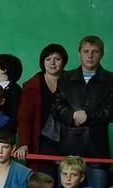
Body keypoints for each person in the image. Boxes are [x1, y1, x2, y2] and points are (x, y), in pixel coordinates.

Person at [52, 35, 113, 188]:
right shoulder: (65, 78)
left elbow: (112, 111)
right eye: (86, 51)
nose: (90, 55)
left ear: (102, 54)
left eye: (95, 52)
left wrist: (88, 116)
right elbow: (56, 108)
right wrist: (72, 115)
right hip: (68, 147)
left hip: (97, 150)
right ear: (79, 54)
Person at [16, 44, 69, 177]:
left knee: (69, 181)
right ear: (42, 62)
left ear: (63, 62)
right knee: (44, 182)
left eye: (57, 59)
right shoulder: (32, 85)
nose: (52, 63)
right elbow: (24, 118)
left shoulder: (72, 82)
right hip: (42, 143)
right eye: (48, 59)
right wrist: (24, 143)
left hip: (69, 141)